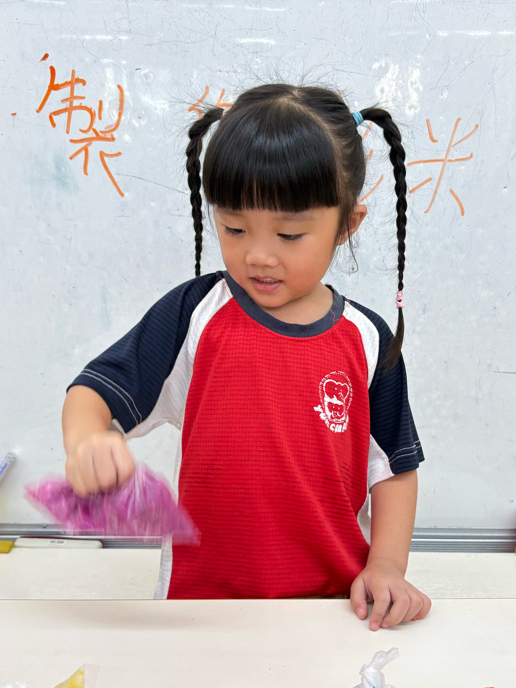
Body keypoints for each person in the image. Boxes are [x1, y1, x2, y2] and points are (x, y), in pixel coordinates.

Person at [62, 83, 429, 630]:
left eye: (290, 234)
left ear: (347, 225)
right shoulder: (195, 315)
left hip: (333, 612)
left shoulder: (367, 339)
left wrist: (387, 566)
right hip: (200, 611)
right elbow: (92, 393)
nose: (258, 255)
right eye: (234, 228)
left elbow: (393, 469)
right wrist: (88, 440)